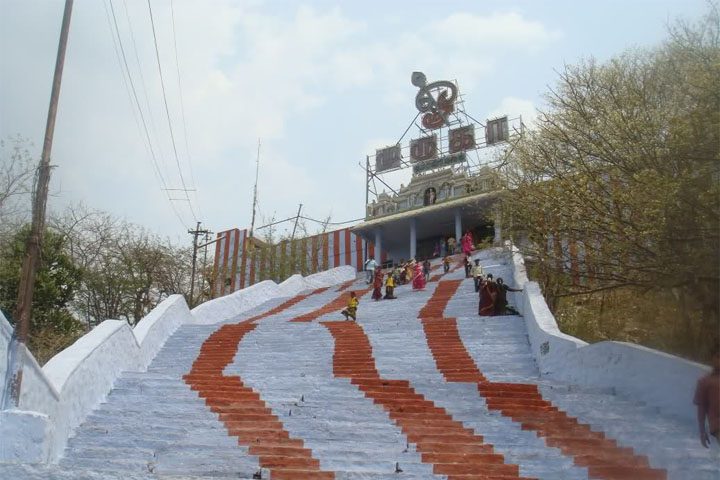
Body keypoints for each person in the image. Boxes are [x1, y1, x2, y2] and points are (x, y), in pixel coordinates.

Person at [695, 347, 720, 448]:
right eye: (718, 357)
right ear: (712, 358)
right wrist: (702, 432)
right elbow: (701, 407)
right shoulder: (705, 381)